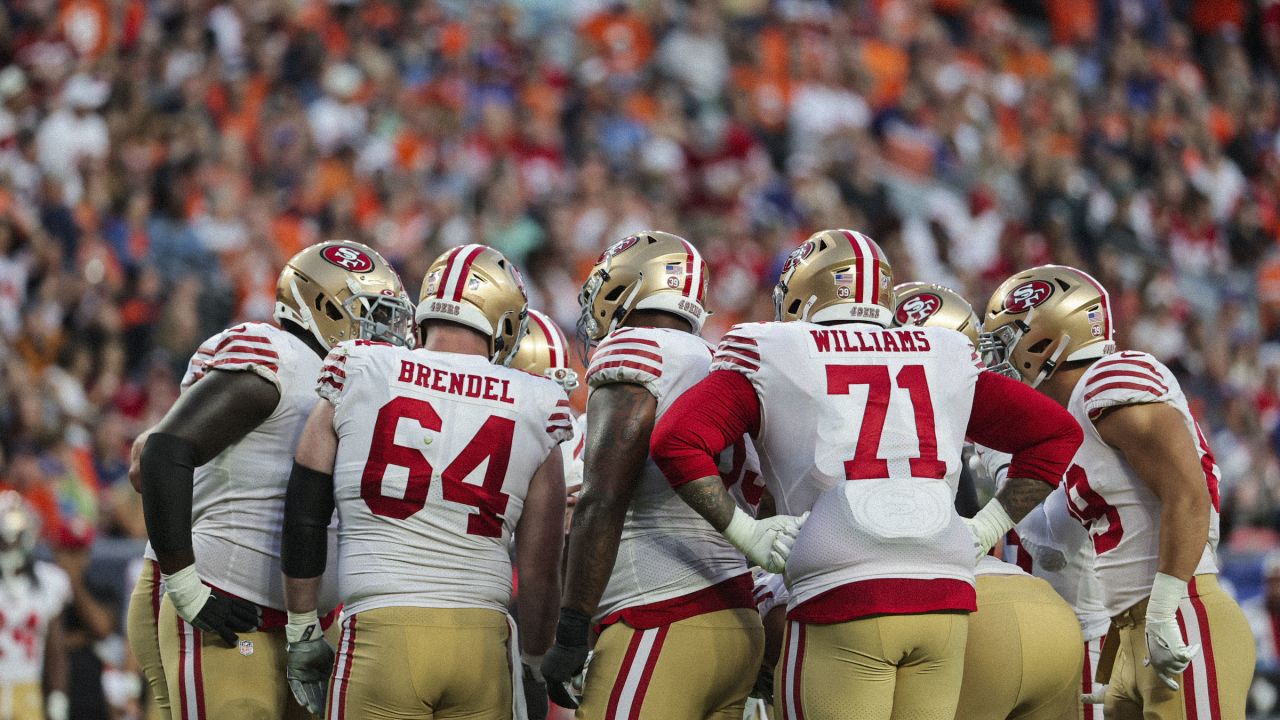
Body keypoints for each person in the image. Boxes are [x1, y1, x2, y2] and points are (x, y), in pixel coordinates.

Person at [649, 229, 1082, 720]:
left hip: (842, 581)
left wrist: (745, 532)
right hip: (946, 589)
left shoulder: (772, 347)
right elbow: (1056, 434)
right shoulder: (943, 350)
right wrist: (984, 529)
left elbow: (675, 441)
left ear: (804, 293)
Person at [280, 244, 571, 720]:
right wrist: (537, 660)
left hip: (381, 628)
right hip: (481, 637)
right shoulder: (537, 401)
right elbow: (540, 565)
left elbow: (305, 508)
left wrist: (302, 627)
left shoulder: (360, 366)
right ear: (505, 321)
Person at [132, 240, 413, 720]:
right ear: (322, 307)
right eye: (374, 315)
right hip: (230, 607)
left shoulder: (359, 378)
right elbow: (155, 455)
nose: (387, 334)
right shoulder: (277, 357)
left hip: (308, 618)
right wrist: (187, 588)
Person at [982, 264, 1255, 719]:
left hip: (1178, 613)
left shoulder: (1108, 380)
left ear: (1044, 342)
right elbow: (1052, 544)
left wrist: (1165, 611)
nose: (999, 361)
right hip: (1128, 631)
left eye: (1007, 341)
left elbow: (1188, 494)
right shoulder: (1072, 419)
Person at [540, 232, 766, 719]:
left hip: (662, 613)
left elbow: (603, 496)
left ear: (625, 288)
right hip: (737, 617)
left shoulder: (640, 350)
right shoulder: (725, 363)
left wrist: (572, 627)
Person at [894, 281, 1108, 719]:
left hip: (1080, 635)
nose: (991, 362)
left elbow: (1049, 547)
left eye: (1003, 343)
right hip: (1046, 623)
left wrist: (996, 455)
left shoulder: (1084, 417)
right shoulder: (1027, 422)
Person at [0, 491, 70, 720]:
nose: (9, 546)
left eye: (15, 538)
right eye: (3, 539)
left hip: (28, 690)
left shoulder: (49, 581)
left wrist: (57, 698)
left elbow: (55, 650)